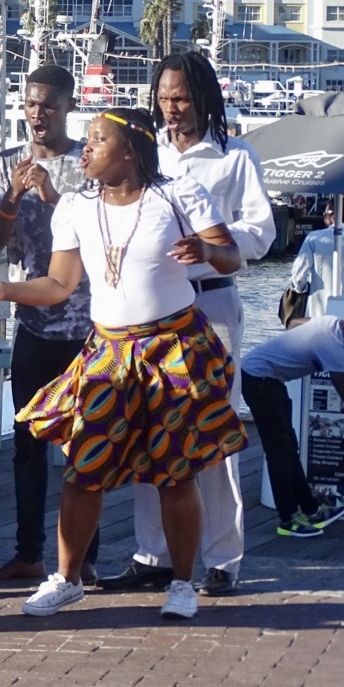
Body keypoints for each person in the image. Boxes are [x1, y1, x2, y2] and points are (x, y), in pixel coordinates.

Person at [0, 108, 247, 620]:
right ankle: (67, 578)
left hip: (172, 346)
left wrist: (204, 247)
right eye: (87, 139)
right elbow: (58, 285)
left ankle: (182, 583)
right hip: (108, 351)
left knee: (174, 473)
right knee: (83, 468)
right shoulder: (74, 206)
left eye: (98, 139)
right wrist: (0, 290)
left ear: (131, 149)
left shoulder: (176, 195)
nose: (85, 149)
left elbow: (231, 257)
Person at [100, 51, 274, 599]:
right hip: (151, 312)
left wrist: (208, 247)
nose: (170, 110)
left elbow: (262, 233)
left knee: (213, 433)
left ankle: (224, 558)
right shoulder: (145, 157)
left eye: (180, 99)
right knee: (152, 431)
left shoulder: (234, 157)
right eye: (163, 99)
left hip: (211, 304)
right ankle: (153, 553)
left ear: (203, 98)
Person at [0, 66, 99, 587]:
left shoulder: (90, 161)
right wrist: (10, 197)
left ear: (68, 106)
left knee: (84, 445)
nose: (38, 113)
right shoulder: (7, 162)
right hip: (31, 322)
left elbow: (97, 232)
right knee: (27, 442)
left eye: (48, 104)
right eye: (30, 104)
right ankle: (29, 551)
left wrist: (51, 196)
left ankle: (83, 560)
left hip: (87, 325)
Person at [241, 305, 344, 537]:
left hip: (269, 379)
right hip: (258, 379)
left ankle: (311, 509)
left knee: (289, 448)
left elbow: (295, 323)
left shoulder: (331, 322)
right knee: (279, 452)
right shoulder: (332, 346)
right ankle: (288, 519)